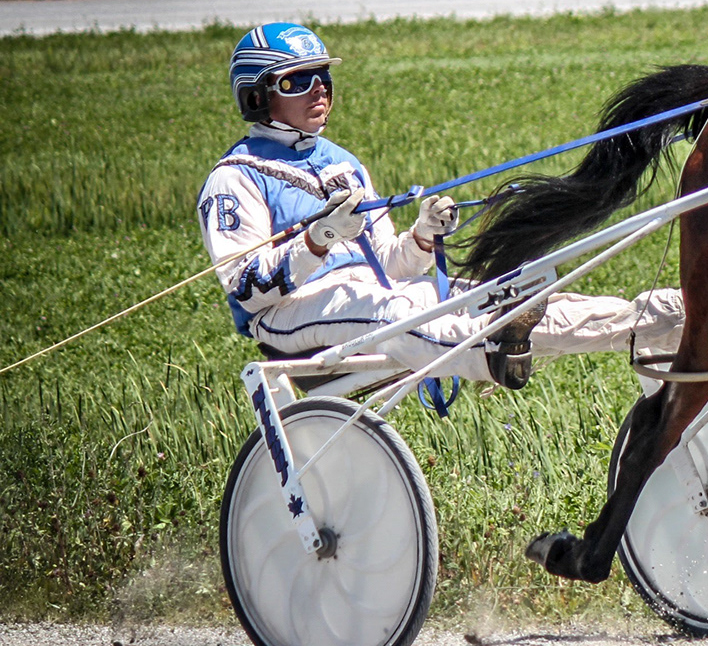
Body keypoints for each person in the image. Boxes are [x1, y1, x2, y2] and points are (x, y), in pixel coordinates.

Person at [197, 22, 682, 390]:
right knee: (393, 307)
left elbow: (389, 263)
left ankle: (665, 319)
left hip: (379, 295)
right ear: (257, 96)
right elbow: (247, 291)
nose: (319, 88)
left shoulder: (343, 163)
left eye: (322, 75)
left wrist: (423, 238)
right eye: (297, 80)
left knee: (502, 297)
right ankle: (494, 348)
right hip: (290, 319)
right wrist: (317, 239)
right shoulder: (234, 178)